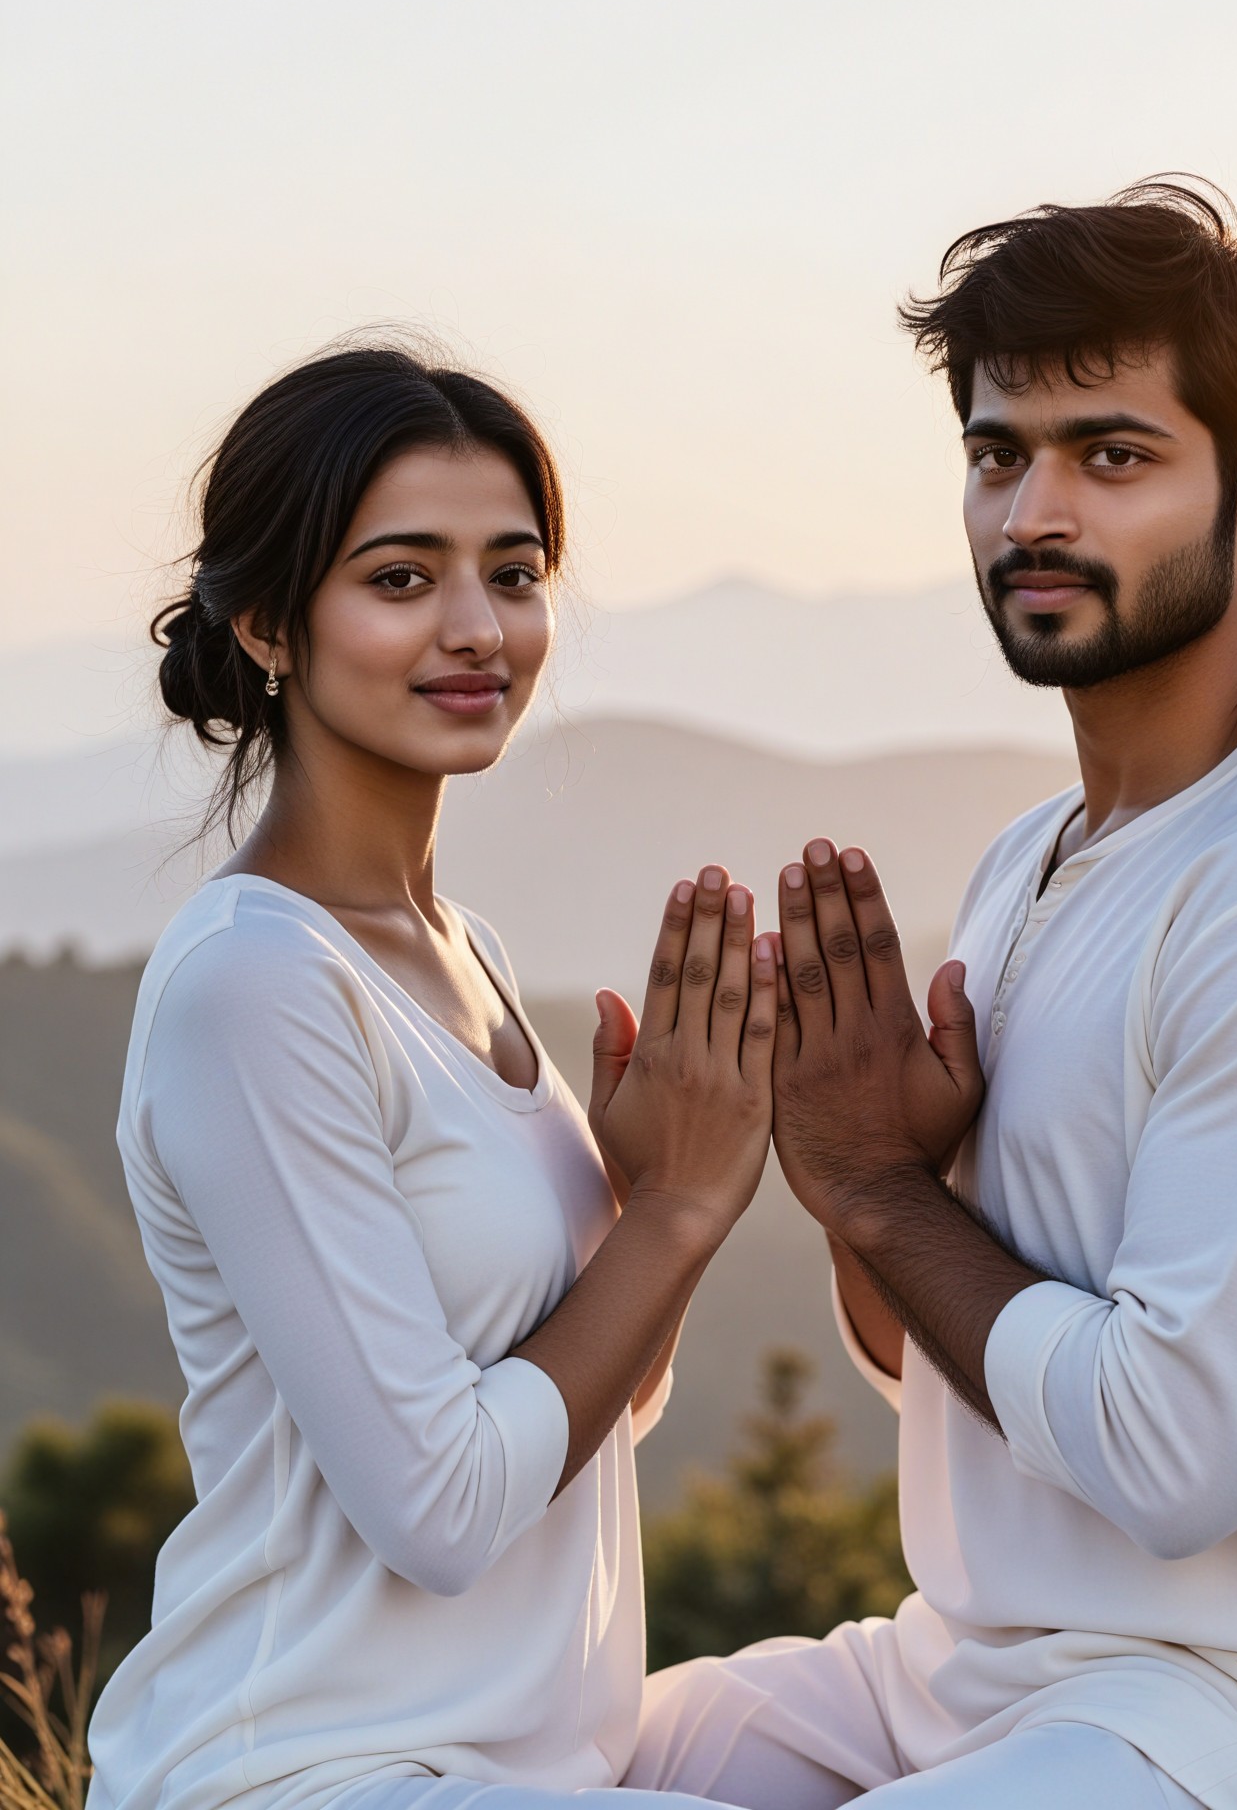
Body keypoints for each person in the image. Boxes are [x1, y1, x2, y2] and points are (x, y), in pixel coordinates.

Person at [628, 182, 1237, 1810]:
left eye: (1112, 457)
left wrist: (884, 1188)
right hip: (962, 1670)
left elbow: (1171, 1460)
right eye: (994, 454)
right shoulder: (1042, 853)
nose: (1033, 511)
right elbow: (938, 1361)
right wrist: (849, 1185)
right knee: (537, 1758)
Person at [86, 346, 777, 1810]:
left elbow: (597, 1413)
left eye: (513, 574)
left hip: (523, 1765)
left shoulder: (463, 948)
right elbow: (447, 1508)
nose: (477, 629)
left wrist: (650, 1191)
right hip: (310, 1774)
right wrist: (680, 1215)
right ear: (273, 620)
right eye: (402, 578)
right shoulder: (256, 986)